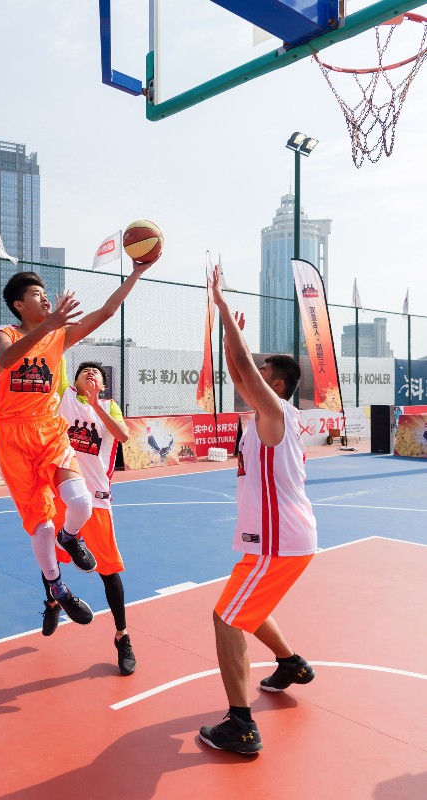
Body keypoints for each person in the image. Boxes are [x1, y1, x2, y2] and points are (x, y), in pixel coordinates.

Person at [0, 260, 155, 629]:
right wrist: (49, 325)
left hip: (49, 429)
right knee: (41, 526)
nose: (45, 298)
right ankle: (57, 589)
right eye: (37, 294)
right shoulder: (4, 332)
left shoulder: (59, 336)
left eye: (46, 293)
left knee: (79, 502)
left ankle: (71, 536)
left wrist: (136, 272)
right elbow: (6, 359)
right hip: (13, 435)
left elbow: (107, 311)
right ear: (19, 304)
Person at [199, 265, 317, 756]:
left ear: (279, 385)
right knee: (247, 607)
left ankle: (241, 725)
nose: (255, 376)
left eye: (266, 372)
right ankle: (291, 664)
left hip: (278, 540)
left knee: (226, 619)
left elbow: (244, 370)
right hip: (276, 540)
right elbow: (239, 371)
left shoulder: (276, 414)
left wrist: (224, 311)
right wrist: (231, 335)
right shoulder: (264, 416)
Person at [40, 361, 136, 675]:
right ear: (74, 380)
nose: (91, 373)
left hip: (96, 498)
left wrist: (95, 404)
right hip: (62, 493)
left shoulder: (109, 407)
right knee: (50, 557)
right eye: (85, 371)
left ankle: (122, 636)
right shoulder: (65, 397)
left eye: (97, 373)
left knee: (109, 570)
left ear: (103, 385)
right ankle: (53, 603)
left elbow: (123, 436)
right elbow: (57, 358)